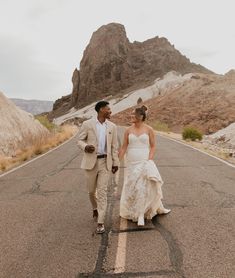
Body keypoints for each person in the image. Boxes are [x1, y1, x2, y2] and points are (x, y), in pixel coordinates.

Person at [118, 105, 170, 226]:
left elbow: (153, 146)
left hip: (144, 160)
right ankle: (134, 210)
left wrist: (149, 159)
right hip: (131, 162)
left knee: (143, 187)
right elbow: (124, 147)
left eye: (133, 114)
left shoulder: (149, 129)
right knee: (133, 186)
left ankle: (141, 214)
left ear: (141, 116)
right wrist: (117, 160)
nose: (131, 116)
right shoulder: (128, 130)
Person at [77, 101, 119, 234]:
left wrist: (115, 162)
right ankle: (94, 207)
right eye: (108, 109)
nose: (110, 111)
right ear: (101, 110)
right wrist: (85, 147)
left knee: (102, 192)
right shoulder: (87, 124)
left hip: (105, 162)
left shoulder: (112, 126)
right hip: (91, 163)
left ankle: (100, 222)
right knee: (91, 191)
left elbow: (114, 147)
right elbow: (79, 140)